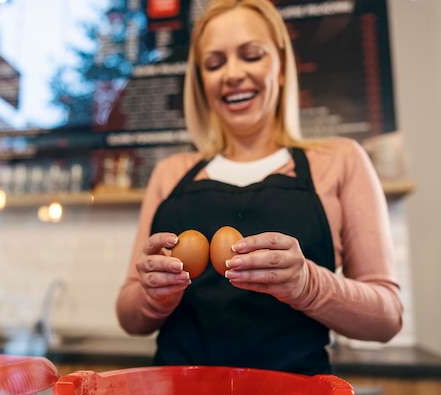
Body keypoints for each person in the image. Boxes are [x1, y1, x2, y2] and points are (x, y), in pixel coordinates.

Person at [116, 0, 403, 375]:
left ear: (282, 67)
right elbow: (129, 316)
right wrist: (153, 296)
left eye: (251, 56)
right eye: (214, 64)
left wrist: (307, 285)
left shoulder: (340, 160)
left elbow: (387, 317)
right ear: (202, 82)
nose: (232, 74)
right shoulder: (171, 173)